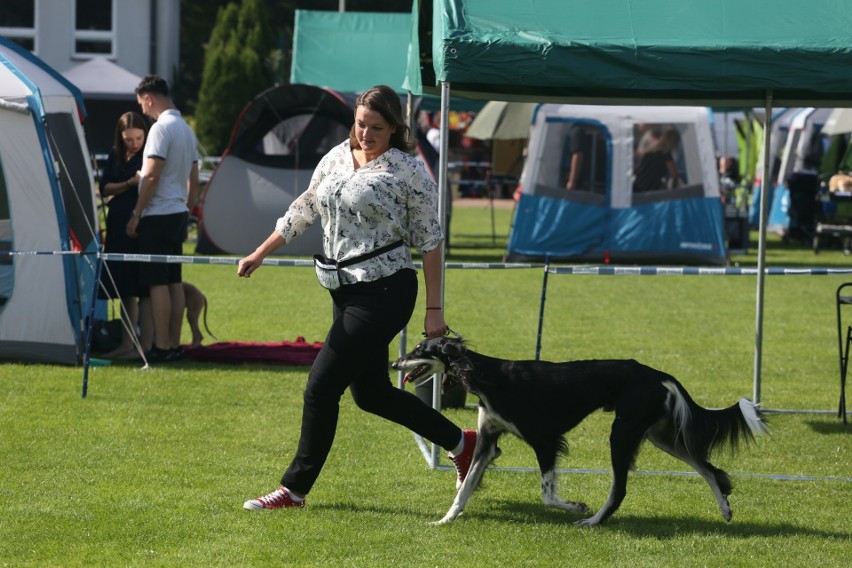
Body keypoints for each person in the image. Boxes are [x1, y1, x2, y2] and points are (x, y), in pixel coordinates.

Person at [237, 85, 477, 510]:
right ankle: (463, 443)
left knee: (320, 388)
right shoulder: (333, 157)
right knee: (370, 395)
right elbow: (303, 209)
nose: (365, 133)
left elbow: (431, 241)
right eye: (360, 124)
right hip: (343, 291)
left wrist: (435, 311)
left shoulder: (408, 169)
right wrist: (259, 251)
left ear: (395, 129)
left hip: (387, 291)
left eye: (376, 127)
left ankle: (293, 490)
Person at [127, 75, 200, 363]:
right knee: (173, 281)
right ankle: (173, 343)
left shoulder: (159, 129)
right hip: (177, 214)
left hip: (157, 215)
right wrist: (188, 213)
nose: (142, 112)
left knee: (158, 283)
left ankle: (161, 346)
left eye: (141, 105)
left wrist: (136, 214)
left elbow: (153, 175)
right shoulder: (186, 129)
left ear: (148, 98)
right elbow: (194, 180)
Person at [98, 112, 148, 359]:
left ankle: (141, 343)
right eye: (129, 139)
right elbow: (104, 188)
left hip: (138, 225)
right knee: (123, 288)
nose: (134, 144)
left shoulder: (149, 155)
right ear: (121, 137)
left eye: (138, 138)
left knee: (139, 287)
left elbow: (143, 186)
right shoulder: (115, 155)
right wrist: (129, 182)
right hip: (117, 225)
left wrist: (125, 187)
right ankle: (126, 342)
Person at [633, 128, 681, 193]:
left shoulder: (649, 152)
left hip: (637, 187)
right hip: (648, 190)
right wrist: (674, 190)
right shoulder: (666, 155)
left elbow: (642, 169)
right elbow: (675, 175)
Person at [565, 123, 606, 193]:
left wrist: (571, 182)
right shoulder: (577, 130)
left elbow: (577, 155)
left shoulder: (576, 130)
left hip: (580, 182)